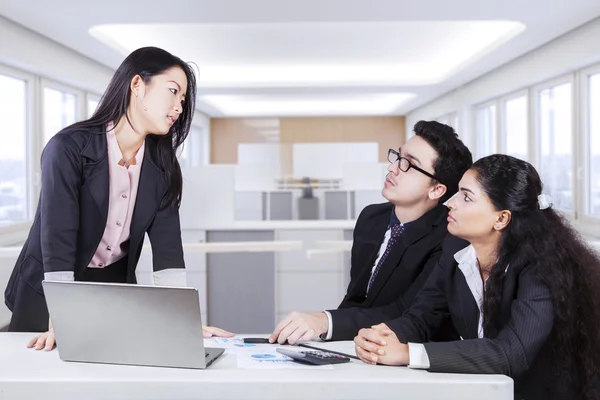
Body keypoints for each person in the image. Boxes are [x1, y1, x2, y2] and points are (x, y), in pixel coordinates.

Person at [4, 46, 233, 350]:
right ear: (137, 85)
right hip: (50, 289)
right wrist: (61, 315)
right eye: (173, 92)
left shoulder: (162, 165)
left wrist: (182, 321)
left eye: (182, 99)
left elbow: (168, 251)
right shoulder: (68, 148)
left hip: (112, 290)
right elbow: (57, 237)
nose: (179, 107)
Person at [353, 154, 600, 399]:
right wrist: (381, 337)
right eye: (458, 192)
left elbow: (510, 353)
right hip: (487, 390)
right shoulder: (454, 250)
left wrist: (408, 354)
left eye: (466, 197)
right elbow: (421, 317)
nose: (451, 202)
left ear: (501, 218)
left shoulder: (540, 266)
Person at [270, 121, 473, 344]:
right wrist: (325, 335)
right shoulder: (371, 218)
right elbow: (356, 298)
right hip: (362, 345)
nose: (392, 167)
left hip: (413, 354)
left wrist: (325, 321)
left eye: (408, 164)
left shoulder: (450, 238)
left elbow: (407, 312)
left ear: (436, 189)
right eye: (398, 156)